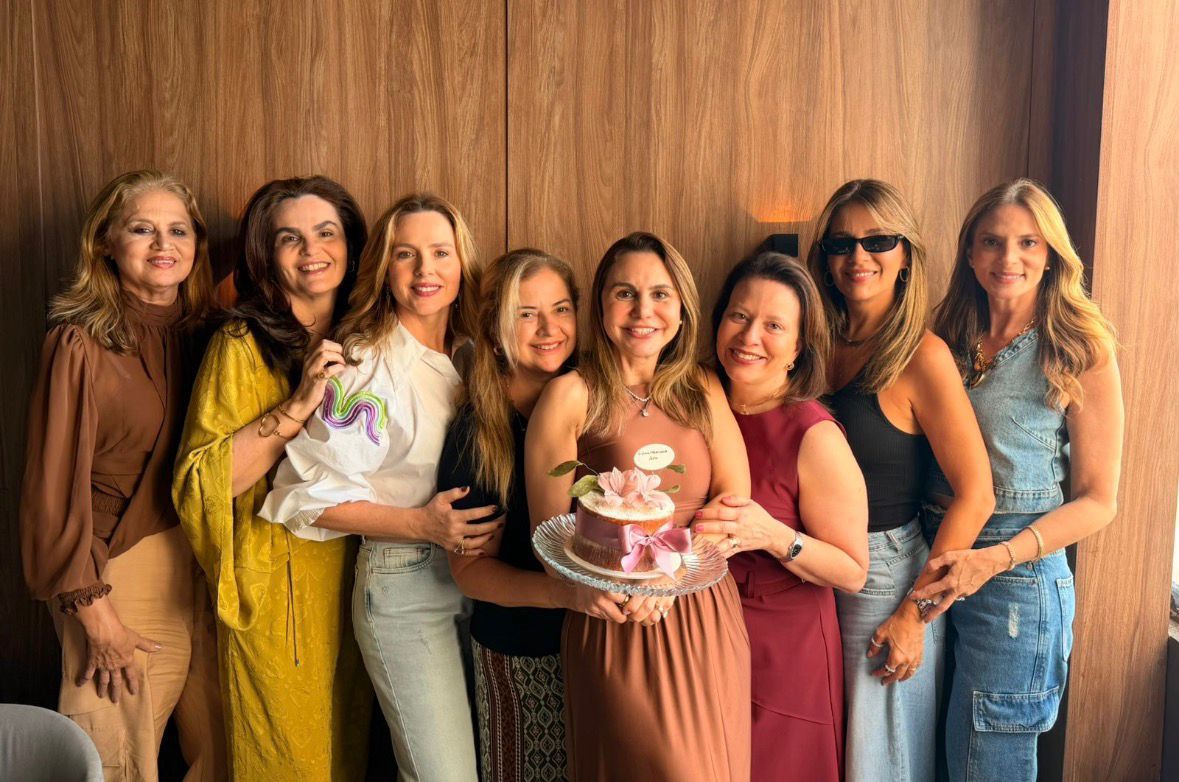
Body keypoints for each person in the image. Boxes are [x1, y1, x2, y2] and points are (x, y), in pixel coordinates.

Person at [258, 193, 494, 781]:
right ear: (384, 268)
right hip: (406, 584)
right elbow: (304, 496)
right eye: (405, 254)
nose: (425, 270)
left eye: (440, 253)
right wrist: (422, 524)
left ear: (462, 263)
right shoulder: (365, 361)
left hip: (481, 578)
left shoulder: (473, 353)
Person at [20, 169, 225, 781]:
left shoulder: (210, 338)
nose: (164, 245)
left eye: (178, 230)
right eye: (142, 229)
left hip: (205, 563)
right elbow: (51, 488)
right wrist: (92, 608)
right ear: (106, 242)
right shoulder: (80, 343)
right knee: (118, 757)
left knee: (227, 748)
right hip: (114, 569)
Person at [526, 231, 753, 782]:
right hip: (618, 619)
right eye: (625, 293)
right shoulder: (570, 395)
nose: (643, 311)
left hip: (704, 612)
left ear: (682, 306)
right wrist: (632, 587)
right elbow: (551, 541)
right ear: (601, 304)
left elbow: (734, 506)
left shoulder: (702, 387)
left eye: (660, 294)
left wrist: (669, 577)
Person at [915, 179, 1123, 781]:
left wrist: (995, 560)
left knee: (985, 764)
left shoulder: (1079, 347)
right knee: (927, 755)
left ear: (1052, 253)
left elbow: (1099, 500)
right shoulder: (945, 335)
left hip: (1014, 580)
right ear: (970, 252)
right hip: (930, 550)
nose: (1009, 258)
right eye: (992, 241)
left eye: (1028, 242)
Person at [173, 176, 371, 781]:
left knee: (347, 755)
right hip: (275, 590)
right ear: (266, 255)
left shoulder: (371, 339)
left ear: (351, 245)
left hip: (358, 581)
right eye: (290, 238)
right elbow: (204, 481)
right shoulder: (241, 343)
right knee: (289, 760)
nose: (312, 250)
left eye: (326, 232)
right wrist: (299, 403)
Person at [806, 179, 995, 782]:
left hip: (882, 579)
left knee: (878, 763)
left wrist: (915, 613)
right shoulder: (813, 342)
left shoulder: (922, 355)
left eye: (878, 240)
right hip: (807, 566)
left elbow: (977, 493)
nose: (858, 256)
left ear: (906, 254)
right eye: (841, 243)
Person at [694, 251, 869, 781]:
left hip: (785, 657)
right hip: (701, 643)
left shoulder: (813, 434)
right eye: (739, 316)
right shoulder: (691, 405)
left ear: (798, 348)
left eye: (774, 326)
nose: (749, 337)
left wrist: (773, 535)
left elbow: (852, 571)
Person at [436, 248, 587, 780]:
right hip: (521, 654)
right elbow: (470, 571)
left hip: (601, 648)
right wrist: (563, 595)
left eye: (561, 308)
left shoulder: (598, 402)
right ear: (496, 333)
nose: (549, 329)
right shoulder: (479, 432)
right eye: (526, 314)